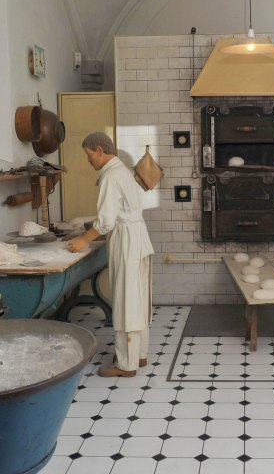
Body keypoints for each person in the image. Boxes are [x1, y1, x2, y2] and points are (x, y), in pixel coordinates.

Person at [67, 132, 154, 378]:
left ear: (100, 150)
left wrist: (81, 241)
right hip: (139, 239)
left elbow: (105, 222)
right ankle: (139, 354)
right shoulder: (124, 172)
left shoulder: (110, 176)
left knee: (126, 302)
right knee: (138, 300)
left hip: (127, 242)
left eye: (89, 155)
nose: (88, 161)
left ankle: (126, 364)